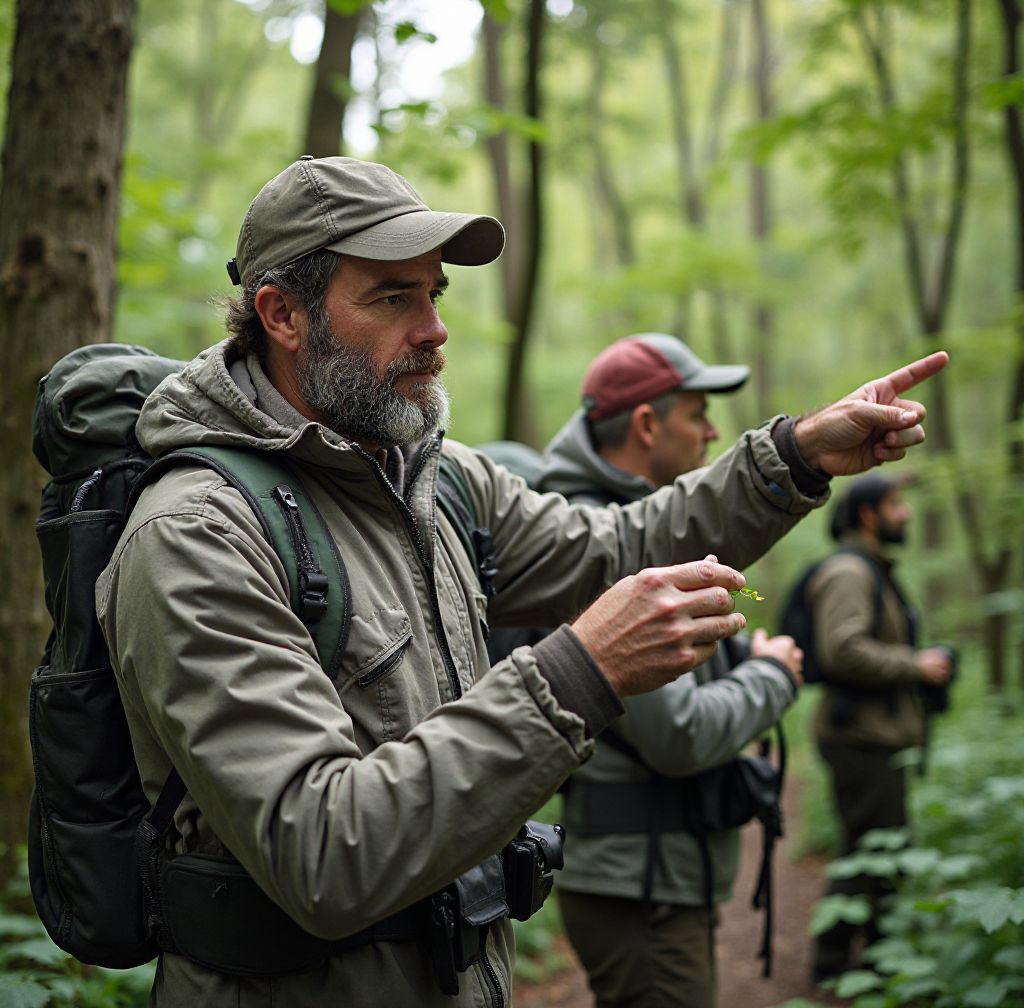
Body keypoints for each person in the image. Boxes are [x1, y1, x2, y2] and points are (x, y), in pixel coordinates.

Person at [94, 154, 946, 1008]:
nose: (435, 329)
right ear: (283, 314)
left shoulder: (435, 483)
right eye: (393, 298)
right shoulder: (200, 533)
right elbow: (321, 852)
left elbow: (616, 545)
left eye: (435, 294)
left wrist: (794, 455)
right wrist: (580, 672)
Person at [522, 334, 805, 1008]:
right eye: (697, 413)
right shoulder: (597, 545)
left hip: (652, 875)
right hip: (638, 887)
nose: (712, 431)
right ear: (647, 425)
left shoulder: (633, 535)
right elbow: (678, 733)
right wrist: (772, 677)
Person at [808, 473, 953, 982]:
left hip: (874, 733)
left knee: (875, 849)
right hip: (861, 737)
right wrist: (916, 665)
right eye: (895, 504)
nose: (906, 513)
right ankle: (841, 964)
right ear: (868, 515)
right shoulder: (850, 571)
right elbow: (841, 649)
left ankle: (871, 959)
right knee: (872, 852)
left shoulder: (871, 568)